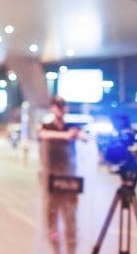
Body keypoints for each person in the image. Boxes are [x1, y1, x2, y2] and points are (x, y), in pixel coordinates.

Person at [38, 95, 86, 254]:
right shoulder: (46, 126)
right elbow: (43, 135)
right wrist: (66, 136)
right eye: (58, 105)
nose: (60, 109)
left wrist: (76, 134)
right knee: (51, 219)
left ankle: (71, 251)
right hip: (50, 179)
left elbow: (84, 137)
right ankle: (55, 251)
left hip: (69, 180)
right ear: (52, 107)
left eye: (63, 105)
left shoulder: (72, 126)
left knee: (70, 220)